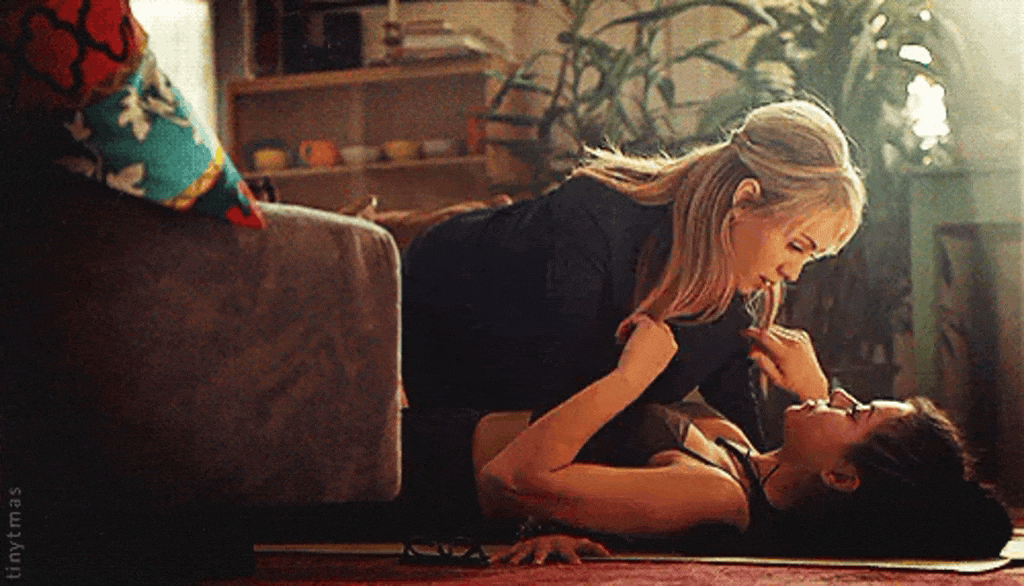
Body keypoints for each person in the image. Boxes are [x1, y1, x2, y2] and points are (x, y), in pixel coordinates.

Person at [400, 99, 866, 448]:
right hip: (437, 300)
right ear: (743, 200)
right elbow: (555, 409)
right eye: (796, 246)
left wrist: (815, 394)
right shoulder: (595, 220)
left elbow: (760, 460)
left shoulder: (737, 299)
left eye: (811, 257)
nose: (793, 273)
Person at [477, 316, 1012, 563]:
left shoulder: (718, 495)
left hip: (438, 462)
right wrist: (814, 395)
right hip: (452, 416)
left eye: (855, 413)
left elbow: (508, 479)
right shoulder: (737, 449)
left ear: (839, 477)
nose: (839, 394)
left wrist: (631, 376)